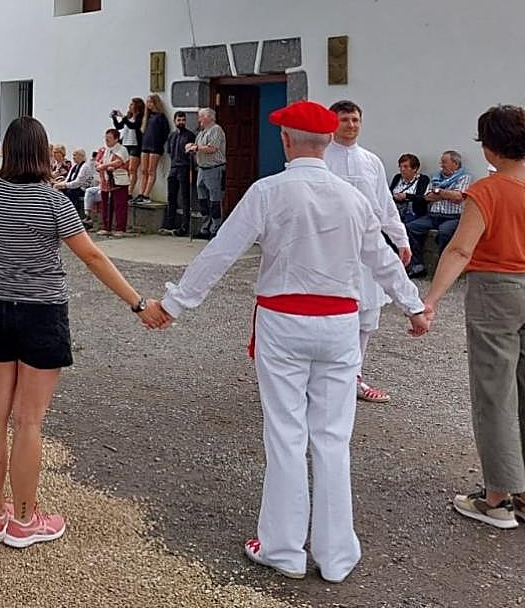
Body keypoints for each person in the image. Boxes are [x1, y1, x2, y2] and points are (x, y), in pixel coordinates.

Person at [155, 101, 428, 584]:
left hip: (284, 321)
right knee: (333, 436)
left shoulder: (268, 191)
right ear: (325, 142)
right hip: (340, 325)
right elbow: (383, 260)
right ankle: (337, 552)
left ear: (286, 141)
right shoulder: (352, 197)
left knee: (285, 432)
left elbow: (221, 252)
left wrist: (176, 304)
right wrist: (414, 306)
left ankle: (282, 547)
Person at [0, 115, 165, 548]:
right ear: (42, 153)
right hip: (41, 312)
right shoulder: (54, 203)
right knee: (28, 420)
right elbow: (93, 257)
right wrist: (137, 303)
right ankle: (24, 520)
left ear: (6, 151)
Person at [422, 105, 525, 529]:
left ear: (489, 144)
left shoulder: (486, 191)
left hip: (497, 289)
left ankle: (498, 497)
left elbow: (461, 250)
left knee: (494, 391)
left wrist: (431, 299)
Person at [324, 100, 413, 404]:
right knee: (331, 312)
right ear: (332, 122)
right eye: (345, 119)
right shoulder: (321, 156)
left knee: (366, 314)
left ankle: (355, 377)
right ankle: (325, 377)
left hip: (368, 246)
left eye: (355, 120)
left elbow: (384, 205)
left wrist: (401, 240)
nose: (351, 125)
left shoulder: (371, 161)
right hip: (330, 247)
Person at [406, 150, 471, 278]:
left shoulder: (465, 177)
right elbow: (427, 197)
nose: (441, 164)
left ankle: (444, 270)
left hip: (453, 217)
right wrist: (447, 194)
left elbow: (458, 197)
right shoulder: (436, 176)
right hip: (433, 215)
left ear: (455, 163)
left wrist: (438, 192)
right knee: (410, 227)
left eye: (444, 162)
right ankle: (417, 266)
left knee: (445, 232)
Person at [190, 107, 227, 239]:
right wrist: (191, 147)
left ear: (209, 117)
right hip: (201, 168)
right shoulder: (202, 132)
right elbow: (197, 148)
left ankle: (215, 229)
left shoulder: (216, 130)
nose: (199, 119)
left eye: (201, 116)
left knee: (214, 201)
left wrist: (197, 148)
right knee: (203, 201)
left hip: (214, 168)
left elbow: (212, 148)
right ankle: (204, 228)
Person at [160, 111, 197, 236]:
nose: (181, 122)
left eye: (183, 120)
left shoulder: (190, 135)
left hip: (185, 167)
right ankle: (171, 223)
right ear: (175, 121)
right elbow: (169, 151)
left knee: (185, 197)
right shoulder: (172, 135)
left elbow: (192, 154)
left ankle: (184, 226)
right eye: (179, 120)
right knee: (171, 196)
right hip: (174, 167)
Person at [95, 128, 130, 237]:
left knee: (120, 205)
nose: (107, 140)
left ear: (116, 139)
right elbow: (97, 161)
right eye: (106, 138)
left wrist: (104, 166)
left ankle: (120, 228)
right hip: (105, 180)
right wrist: (99, 165)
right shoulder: (103, 150)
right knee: (106, 205)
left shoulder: (122, 149)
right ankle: (106, 227)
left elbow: (118, 162)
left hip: (118, 181)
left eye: (109, 138)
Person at [136, 94, 170, 205]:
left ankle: (146, 194)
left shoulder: (161, 117)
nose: (149, 104)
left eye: (151, 102)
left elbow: (165, 132)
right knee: (143, 170)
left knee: (151, 171)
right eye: (148, 102)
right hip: (145, 145)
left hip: (155, 146)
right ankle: (141, 193)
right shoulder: (147, 117)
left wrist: (159, 142)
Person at [112, 98, 145, 196]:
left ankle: (130, 191)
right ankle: (124, 189)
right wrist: (115, 118)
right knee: (125, 168)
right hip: (126, 144)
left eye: (132, 104)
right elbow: (119, 127)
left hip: (135, 145)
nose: (129, 106)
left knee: (132, 169)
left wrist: (124, 118)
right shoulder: (128, 116)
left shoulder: (140, 117)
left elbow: (133, 126)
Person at [390, 154, 430, 225]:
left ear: (414, 168)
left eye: (405, 167)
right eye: (400, 166)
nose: (402, 169)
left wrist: (406, 196)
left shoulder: (423, 179)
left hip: (413, 212)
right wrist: (395, 197)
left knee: (403, 225)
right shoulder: (397, 177)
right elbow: (389, 193)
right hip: (395, 211)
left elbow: (424, 198)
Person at [56, 148, 95, 215]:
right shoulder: (74, 167)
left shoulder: (85, 167)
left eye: (75, 155)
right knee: (58, 190)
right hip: (74, 187)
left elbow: (78, 183)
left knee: (69, 191)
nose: (73, 157)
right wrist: (58, 184)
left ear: (81, 156)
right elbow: (67, 180)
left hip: (83, 189)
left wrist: (64, 185)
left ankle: (71, 213)